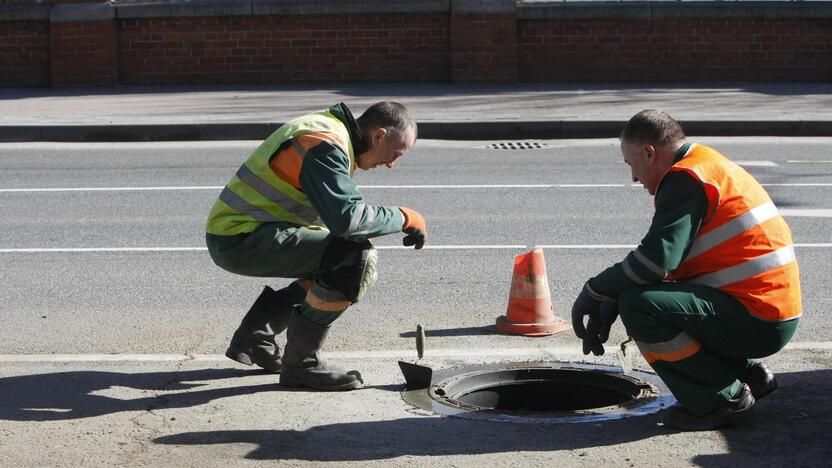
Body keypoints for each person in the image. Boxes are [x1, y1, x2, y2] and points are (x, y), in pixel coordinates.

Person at [571, 110, 801, 431]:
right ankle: (747, 374)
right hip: (768, 310)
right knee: (652, 298)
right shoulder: (704, 163)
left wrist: (596, 290)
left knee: (641, 306)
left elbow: (655, 262)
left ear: (649, 153)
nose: (634, 178)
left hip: (758, 319)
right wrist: (615, 290)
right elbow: (672, 267)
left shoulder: (684, 179)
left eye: (630, 164)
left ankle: (722, 399)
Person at [205, 101, 425, 391]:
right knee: (355, 260)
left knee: (344, 255)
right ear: (379, 136)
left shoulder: (330, 133)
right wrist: (405, 217)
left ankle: (256, 337)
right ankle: (301, 365)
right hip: (240, 238)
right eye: (395, 154)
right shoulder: (325, 144)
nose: (392, 164)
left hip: (243, 231)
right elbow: (348, 219)